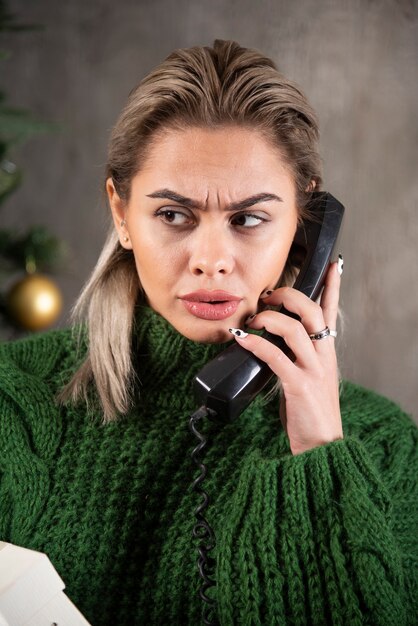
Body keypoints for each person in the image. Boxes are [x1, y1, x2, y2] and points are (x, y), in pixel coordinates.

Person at [0, 39, 416, 626]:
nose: (211, 259)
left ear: (305, 224)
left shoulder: (386, 447)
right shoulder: (14, 401)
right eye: (173, 215)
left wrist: (320, 453)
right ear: (121, 213)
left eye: (248, 219)